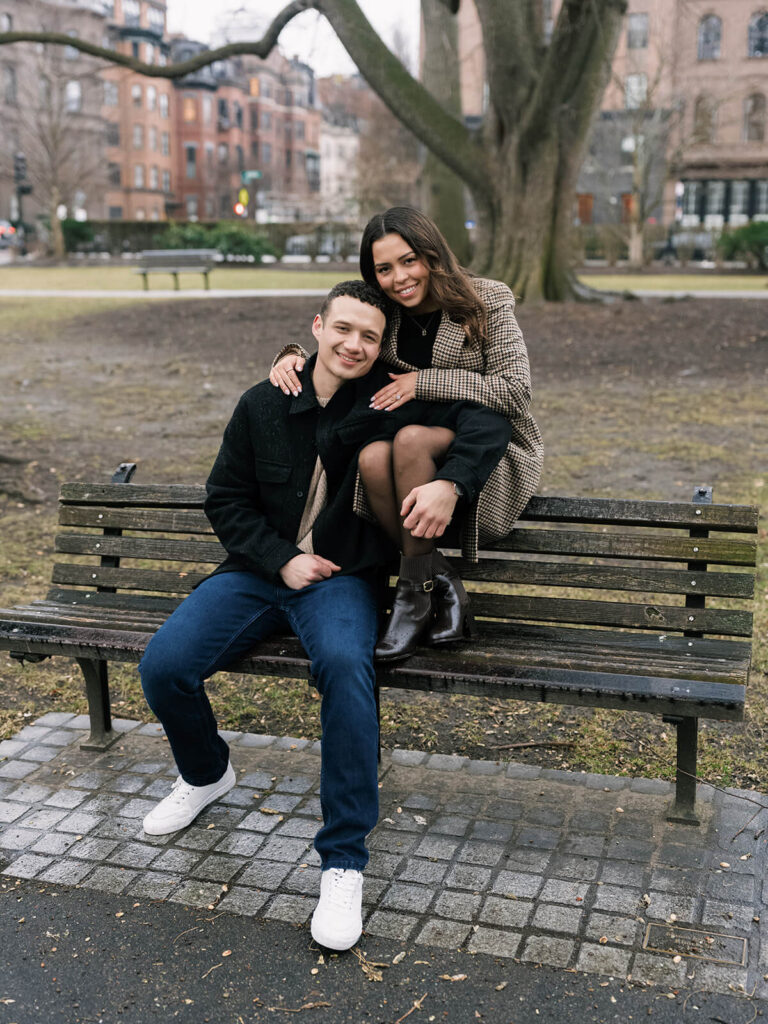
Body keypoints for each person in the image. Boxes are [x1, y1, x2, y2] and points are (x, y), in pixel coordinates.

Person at [138, 280, 512, 952]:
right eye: (343, 329)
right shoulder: (263, 400)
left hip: (342, 580)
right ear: (317, 326)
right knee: (164, 666)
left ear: (381, 346)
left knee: (345, 668)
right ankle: (205, 775)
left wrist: (450, 479)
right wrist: (281, 559)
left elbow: (488, 420)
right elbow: (225, 500)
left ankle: (343, 861)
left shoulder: (386, 401)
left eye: (370, 336)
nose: (354, 345)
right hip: (257, 573)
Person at [270, 206, 544, 662]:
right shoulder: (387, 314)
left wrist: (424, 381)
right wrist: (292, 357)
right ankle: (436, 583)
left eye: (409, 260)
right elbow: (342, 335)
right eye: (384, 269)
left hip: (486, 452)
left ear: (432, 254)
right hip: (401, 461)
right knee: (373, 457)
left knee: (411, 440)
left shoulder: (486, 300)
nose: (399, 278)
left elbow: (515, 392)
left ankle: (411, 597)